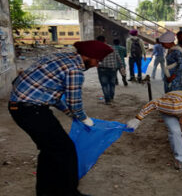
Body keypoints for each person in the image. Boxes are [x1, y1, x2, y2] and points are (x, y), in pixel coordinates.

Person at [8, 40, 113, 196]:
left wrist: (70, 115)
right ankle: (69, 192)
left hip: (22, 107)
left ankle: (45, 191)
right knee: (66, 150)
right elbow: (74, 101)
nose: (97, 65)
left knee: (50, 151)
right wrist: (83, 118)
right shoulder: (74, 70)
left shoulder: (60, 57)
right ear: (88, 56)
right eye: (97, 61)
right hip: (30, 110)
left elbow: (51, 93)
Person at [96, 36, 124, 105]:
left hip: (102, 69)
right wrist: (122, 67)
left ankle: (107, 100)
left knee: (104, 85)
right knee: (112, 84)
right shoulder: (112, 47)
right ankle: (111, 97)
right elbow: (118, 58)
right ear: (105, 40)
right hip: (112, 69)